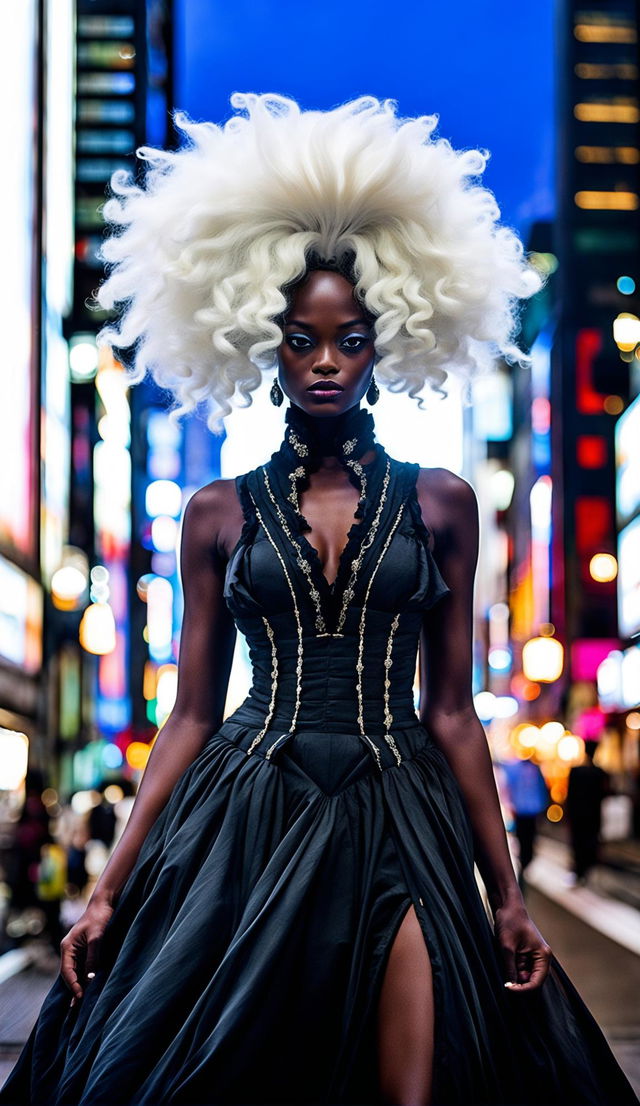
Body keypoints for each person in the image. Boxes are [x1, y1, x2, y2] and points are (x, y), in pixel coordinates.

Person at [1, 94, 636, 1106]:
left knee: (413, 1084)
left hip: (401, 808)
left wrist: (507, 895)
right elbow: (193, 713)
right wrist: (106, 887)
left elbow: (453, 712)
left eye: (348, 338)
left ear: (389, 339)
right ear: (265, 344)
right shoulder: (213, 512)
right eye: (301, 339)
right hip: (248, 807)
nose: (327, 361)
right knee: (226, 1079)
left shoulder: (445, 502)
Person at [567, 739, 610, 885]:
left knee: (579, 843)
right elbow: (605, 794)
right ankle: (586, 870)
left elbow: (570, 795)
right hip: (593, 815)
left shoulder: (576, 771)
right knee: (590, 842)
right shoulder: (600, 773)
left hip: (578, 815)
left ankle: (579, 870)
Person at [501, 757, 549, 887]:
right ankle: (524, 860)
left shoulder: (526, 769)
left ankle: (525, 860)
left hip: (527, 810)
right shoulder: (520, 769)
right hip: (524, 810)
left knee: (527, 838)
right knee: (525, 838)